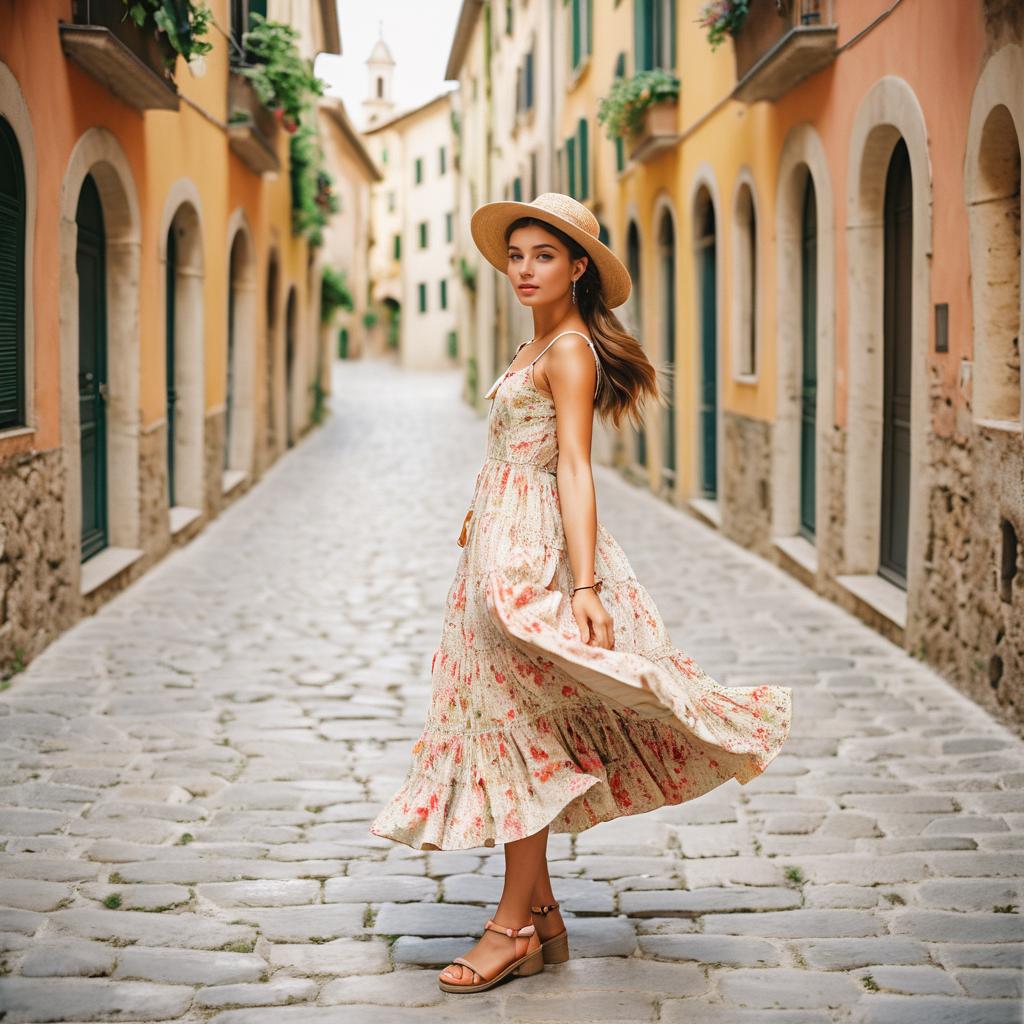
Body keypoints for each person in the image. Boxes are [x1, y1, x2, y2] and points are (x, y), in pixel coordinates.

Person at [369, 193, 792, 994]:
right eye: (517, 255)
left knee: (515, 727)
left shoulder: (569, 350)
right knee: (507, 719)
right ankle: (546, 918)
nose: (524, 270)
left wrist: (586, 584)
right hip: (493, 546)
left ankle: (510, 929)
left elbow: (572, 464)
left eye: (544, 256)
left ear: (580, 267)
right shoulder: (535, 341)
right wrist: (477, 511)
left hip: (534, 558)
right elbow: (513, 448)